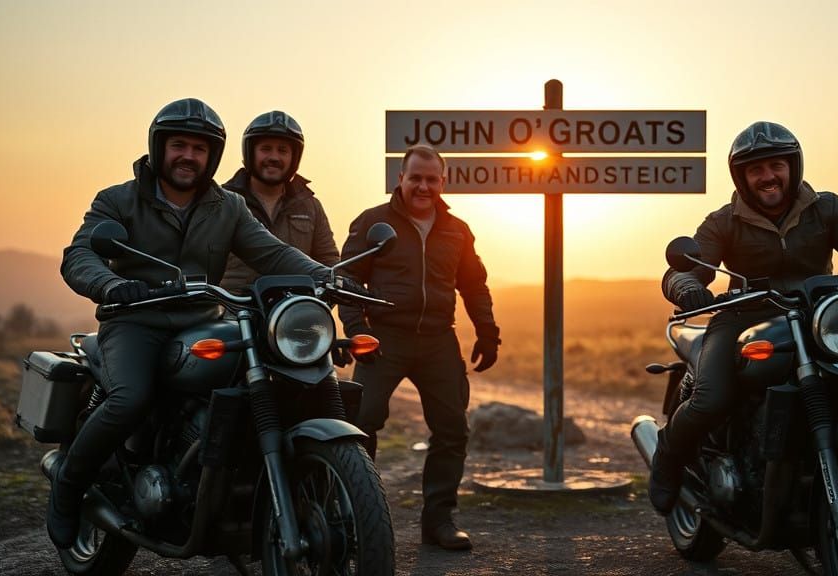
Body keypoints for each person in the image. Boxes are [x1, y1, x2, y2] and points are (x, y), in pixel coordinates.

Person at [49, 98, 338, 549]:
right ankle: (68, 487)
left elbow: (273, 251)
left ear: (214, 157)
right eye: (178, 145)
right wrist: (110, 285)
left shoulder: (229, 207)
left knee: (262, 384)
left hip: (205, 320)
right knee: (130, 399)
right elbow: (80, 254)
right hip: (135, 321)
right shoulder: (118, 200)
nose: (188, 156)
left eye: (199, 149)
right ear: (159, 147)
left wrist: (327, 276)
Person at [649, 121, 838, 515]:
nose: (767, 177)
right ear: (742, 177)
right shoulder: (724, 221)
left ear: (793, 167)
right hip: (745, 317)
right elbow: (685, 267)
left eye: (775, 166)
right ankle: (667, 461)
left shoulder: (826, 208)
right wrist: (687, 288)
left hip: (821, 316)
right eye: (756, 170)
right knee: (712, 397)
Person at [337, 144, 500, 551]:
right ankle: (354, 514)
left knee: (452, 429)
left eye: (431, 179)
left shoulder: (457, 229)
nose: (423, 186)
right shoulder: (374, 222)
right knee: (362, 423)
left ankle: (439, 521)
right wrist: (357, 330)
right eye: (416, 178)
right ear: (401, 179)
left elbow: (473, 284)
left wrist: (487, 331)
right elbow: (348, 281)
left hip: (438, 338)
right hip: (384, 338)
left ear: (442, 182)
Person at [220, 110, 340, 293]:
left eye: (282, 150)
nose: (274, 157)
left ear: (294, 157)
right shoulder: (222, 202)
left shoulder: (310, 206)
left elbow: (329, 263)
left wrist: (318, 301)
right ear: (250, 152)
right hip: (233, 312)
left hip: (294, 313)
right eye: (266, 148)